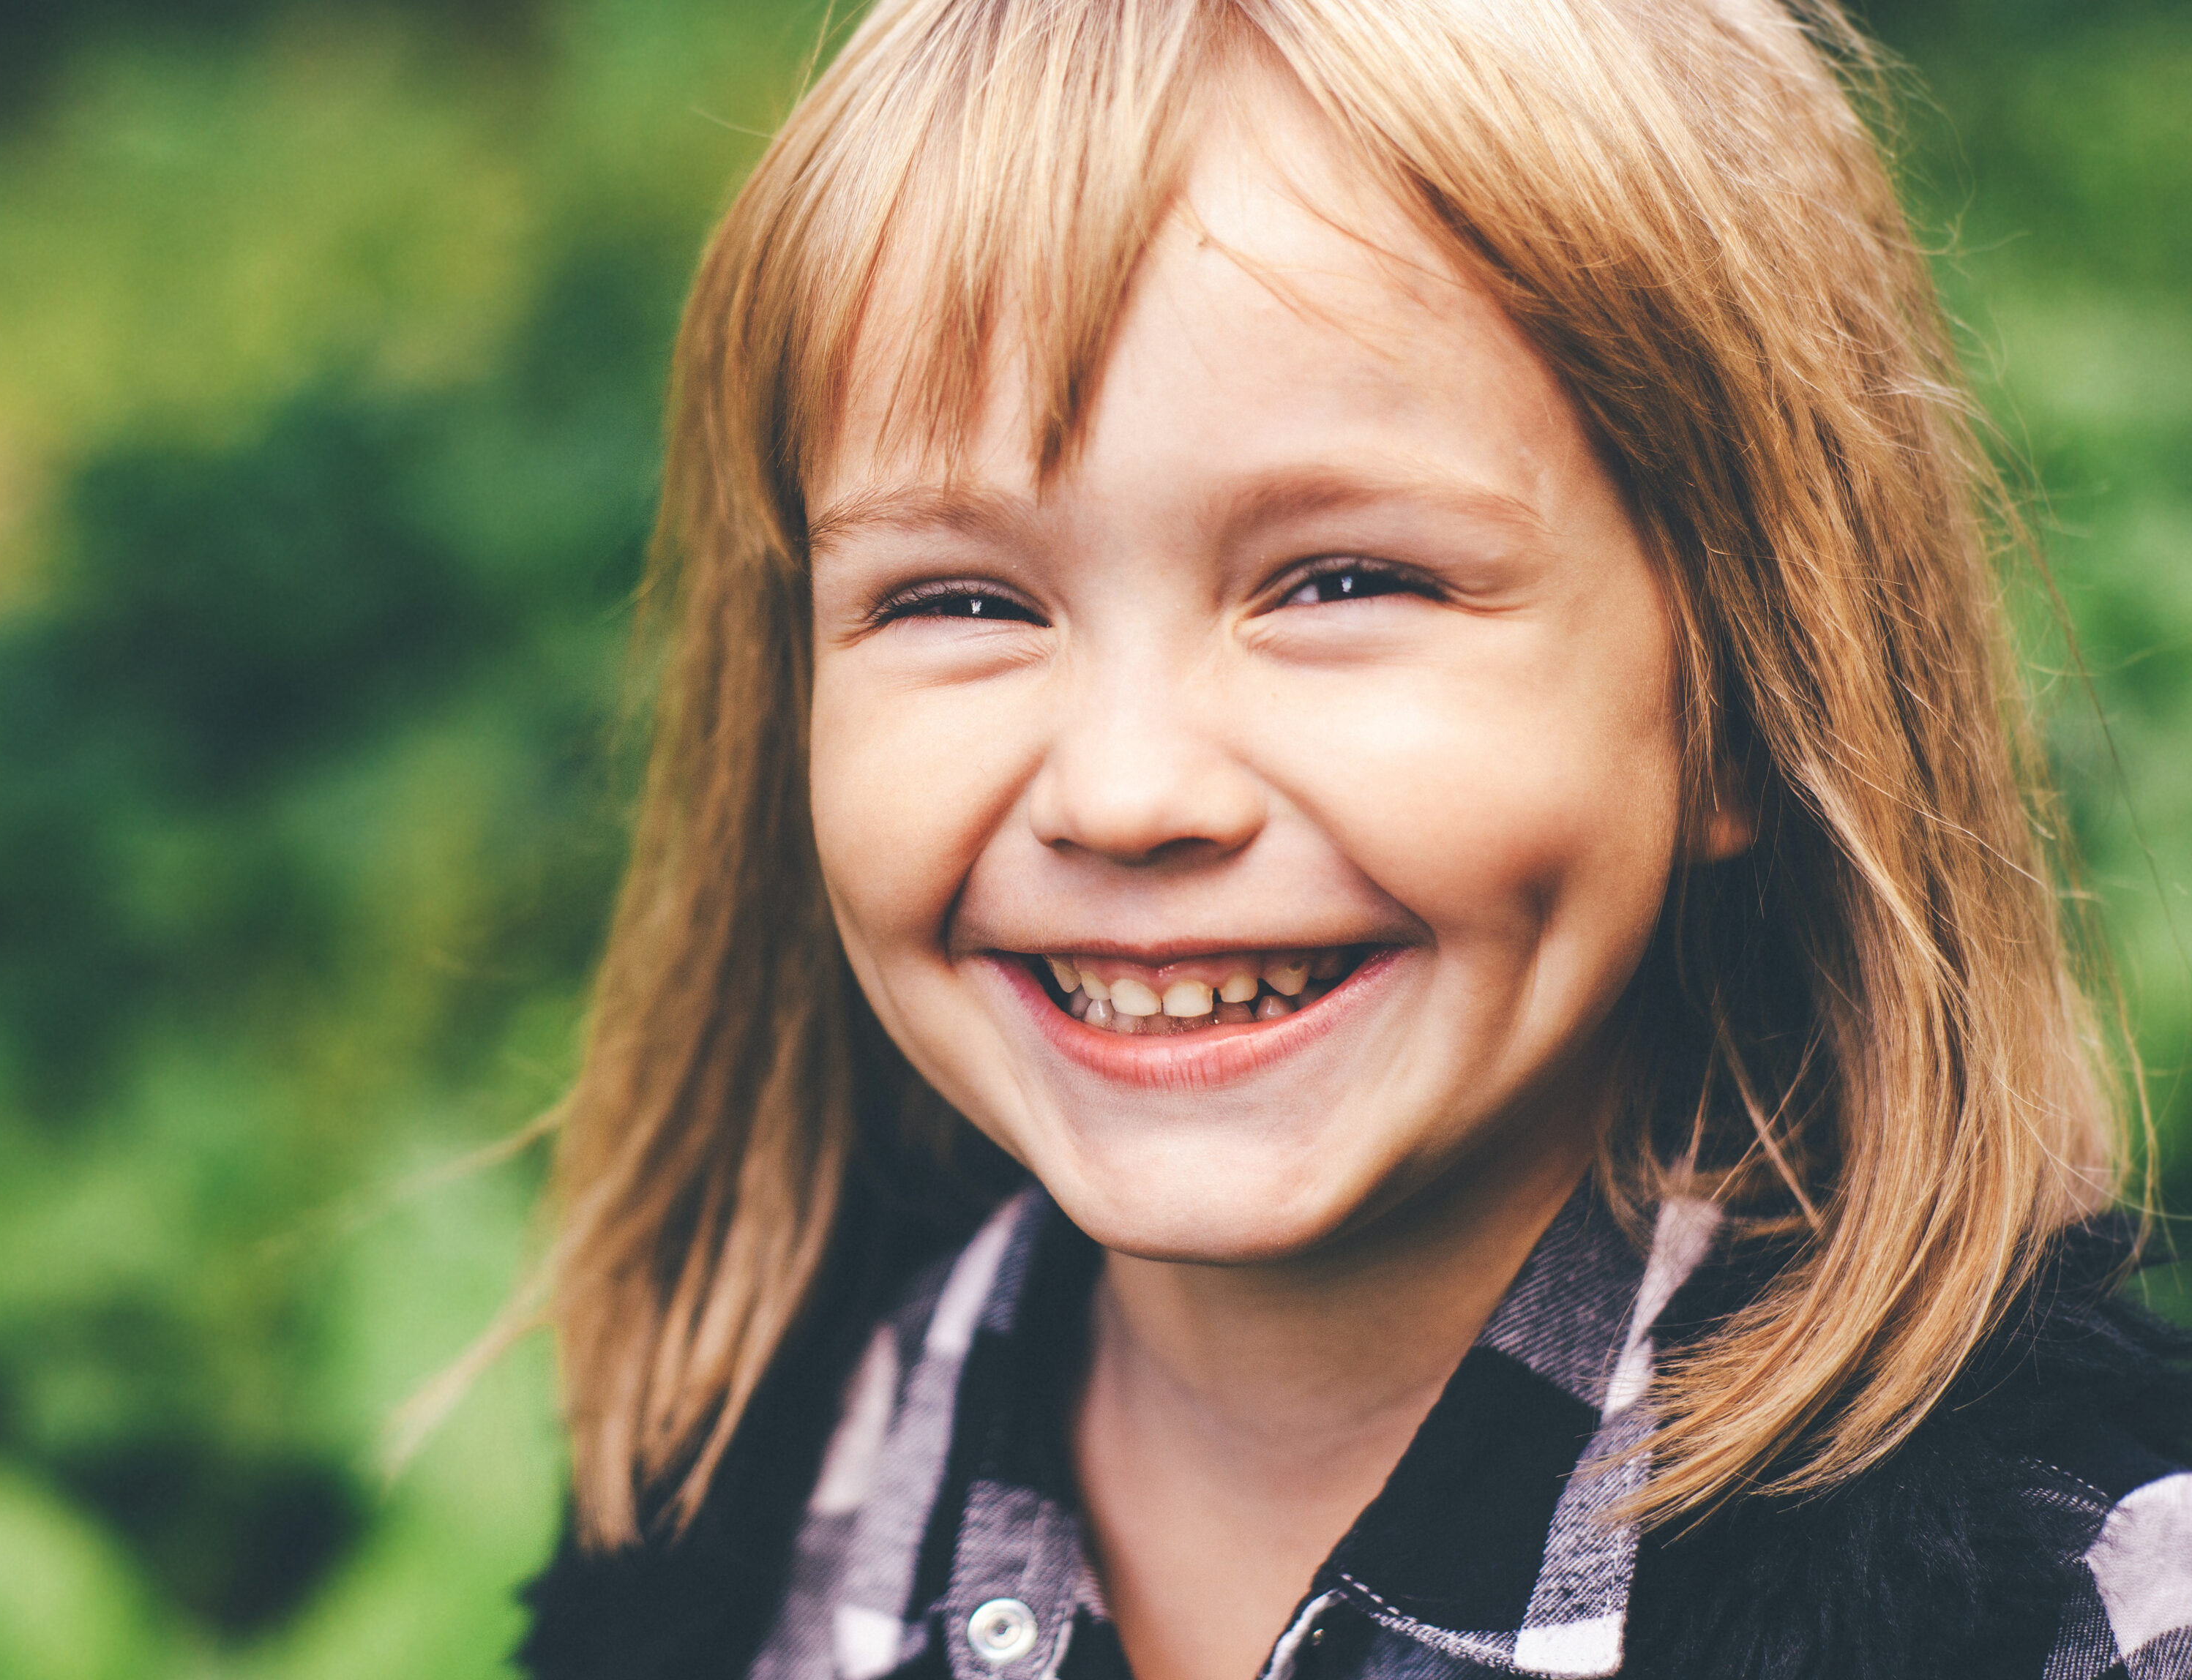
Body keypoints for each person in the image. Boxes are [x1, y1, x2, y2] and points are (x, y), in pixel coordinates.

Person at [509, 1, 2192, 1676]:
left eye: (1345, 580)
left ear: (1754, 693)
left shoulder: (2078, 1603)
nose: (1124, 788)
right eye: (961, 597)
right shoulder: (729, 1537)